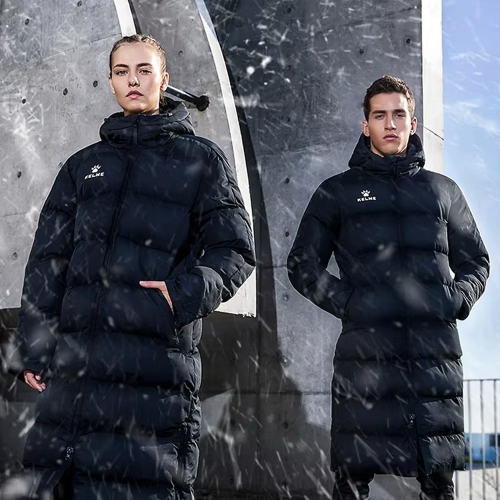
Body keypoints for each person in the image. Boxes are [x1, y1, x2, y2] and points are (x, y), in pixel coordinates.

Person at [14, 34, 255, 499]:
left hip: (154, 368)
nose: (133, 80)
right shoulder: (82, 167)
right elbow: (48, 262)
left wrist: (180, 296)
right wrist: (35, 346)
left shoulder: (201, 159)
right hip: (74, 374)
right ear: (110, 82)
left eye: (144, 70)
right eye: (122, 71)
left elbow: (235, 250)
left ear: (164, 80)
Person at [287, 76, 489, 499]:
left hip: (433, 360)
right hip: (366, 360)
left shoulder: (442, 191)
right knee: (352, 479)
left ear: (412, 123)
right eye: (380, 115)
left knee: (438, 481)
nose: (390, 123)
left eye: (399, 114)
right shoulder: (336, 192)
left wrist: (455, 299)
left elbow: (476, 261)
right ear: (366, 126)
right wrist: (351, 303)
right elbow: (302, 265)